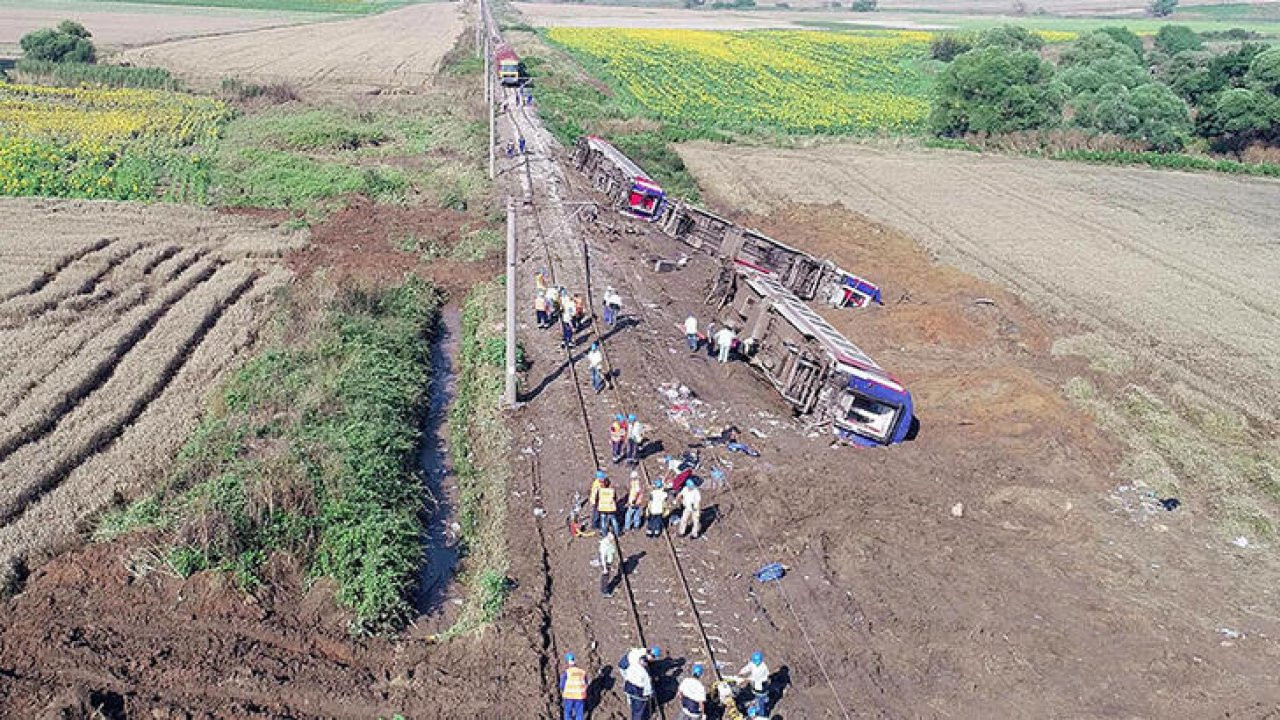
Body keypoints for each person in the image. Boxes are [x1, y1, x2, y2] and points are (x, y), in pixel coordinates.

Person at [622, 646, 660, 720]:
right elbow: (648, 692)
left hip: (628, 686)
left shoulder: (633, 664)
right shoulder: (645, 676)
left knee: (631, 701)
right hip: (638, 692)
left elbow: (626, 676)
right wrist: (650, 695)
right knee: (638, 711)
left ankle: (631, 705)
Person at [738, 651, 770, 717]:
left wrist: (745, 679)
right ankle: (755, 708)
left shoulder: (763, 668)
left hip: (761, 688)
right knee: (756, 698)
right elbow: (748, 667)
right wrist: (741, 672)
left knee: (761, 702)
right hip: (755, 687)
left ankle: (761, 715)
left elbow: (755, 677)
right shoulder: (753, 663)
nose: (755, 663)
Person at [560, 653, 588, 720]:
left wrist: (563, 690)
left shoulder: (567, 672)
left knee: (567, 713)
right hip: (580, 696)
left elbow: (562, 685)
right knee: (579, 714)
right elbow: (586, 683)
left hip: (569, 696)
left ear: (567, 662)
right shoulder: (582, 672)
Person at [599, 530, 618, 597]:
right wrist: (604, 568)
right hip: (606, 563)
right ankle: (604, 592)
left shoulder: (609, 542)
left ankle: (605, 589)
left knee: (606, 576)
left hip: (608, 562)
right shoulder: (605, 544)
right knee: (605, 577)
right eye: (611, 538)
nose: (612, 540)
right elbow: (603, 557)